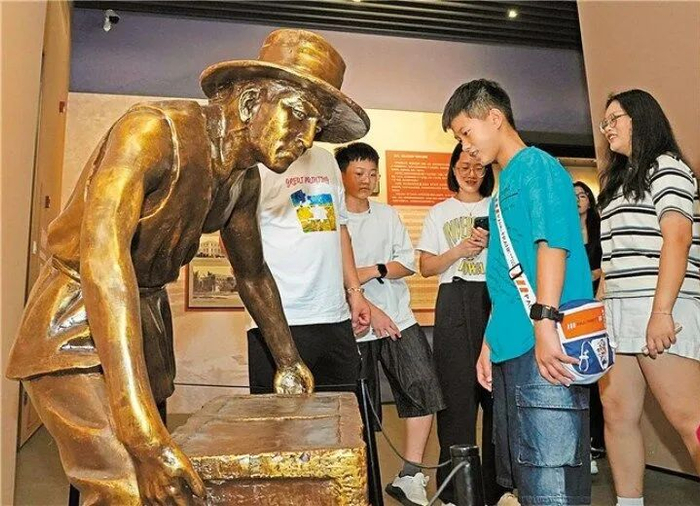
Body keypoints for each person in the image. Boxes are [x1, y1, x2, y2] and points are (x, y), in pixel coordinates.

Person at [5, 29, 370, 505]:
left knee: (164, 483)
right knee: (128, 487)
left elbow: (253, 273)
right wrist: (140, 430)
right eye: (299, 114)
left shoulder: (242, 181)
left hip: (143, 317)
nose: (305, 139)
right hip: (76, 314)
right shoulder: (152, 132)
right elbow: (104, 261)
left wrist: (287, 359)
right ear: (250, 102)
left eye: (316, 128)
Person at [443, 79, 593, 506]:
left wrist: (545, 323)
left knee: (551, 477)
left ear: (494, 117)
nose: (466, 147)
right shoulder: (500, 190)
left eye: (466, 133)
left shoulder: (537, 166)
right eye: (459, 140)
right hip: (512, 348)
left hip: (543, 343)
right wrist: (489, 343)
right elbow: (504, 279)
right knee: (524, 477)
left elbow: (553, 245)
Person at [596, 89, 700, 506]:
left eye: (615, 119)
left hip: (658, 305)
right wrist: (599, 314)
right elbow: (611, 259)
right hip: (618, 312)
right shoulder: (618, 182)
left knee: (689, 418)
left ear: (642, 118)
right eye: (604, 123)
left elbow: (678, 237)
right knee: (617, 413)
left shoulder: (668, 167)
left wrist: (661, 312)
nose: (607, 129)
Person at [336, 142, 446, 506]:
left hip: (399, 317)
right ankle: (358, 485)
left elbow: (406, 264)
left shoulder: (387, 215)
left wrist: (371, 270)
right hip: (354, 323)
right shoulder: (332, 219)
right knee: (359, 409)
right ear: (342, 176)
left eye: (372, 173)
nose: (367, 180)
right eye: (359, 173)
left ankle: (410, 476)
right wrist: (369, 305)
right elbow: (333, 274)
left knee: (423, 386)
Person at [417, 143, 516, 506]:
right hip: (454, 300)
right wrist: (459, 250)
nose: (472, 174)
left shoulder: (498, 207)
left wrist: (492, 245)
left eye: (478, 167)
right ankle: (455, 491)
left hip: (496, 298)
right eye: (464, 167)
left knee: (497, 397)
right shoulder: (439, 212)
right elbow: (426, 267)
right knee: (456, 398)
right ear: (453, 169)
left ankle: (498, 489)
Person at [246, 142, 372, 394]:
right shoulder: (258, 165)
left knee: (341, 411)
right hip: (278, 321)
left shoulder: (326, 160)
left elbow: (340, 230)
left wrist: (355, 292)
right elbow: (236, 240)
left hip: (334, 317)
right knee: (279, 416)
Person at [574, 181, 606, 474]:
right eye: (572, 196)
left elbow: (607, 264)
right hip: (574, 306)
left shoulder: (600, 228)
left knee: (598, 377)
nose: (577, 200)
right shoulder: (564, 229)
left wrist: (597, 274)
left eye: (582, 195)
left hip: (598, 304)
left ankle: (598, 440)